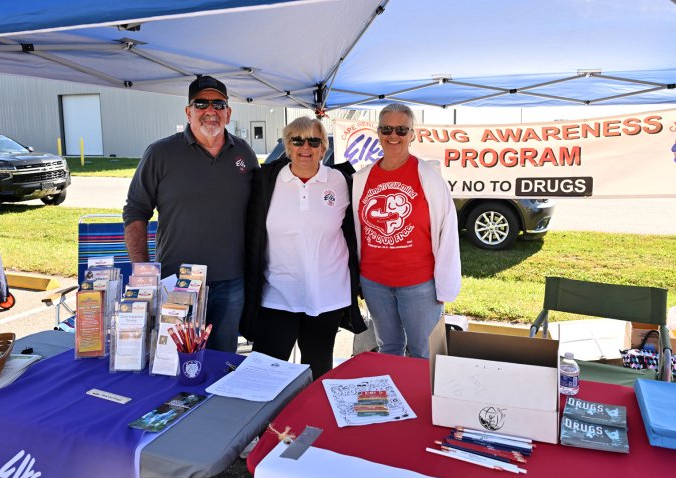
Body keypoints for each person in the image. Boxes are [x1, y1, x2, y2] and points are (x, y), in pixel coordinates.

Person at [123, 75, 259, 353]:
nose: (210, 110)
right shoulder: (160, 153)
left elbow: (258, 211)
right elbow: (135, 212)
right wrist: (144, 272)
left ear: (228, 113)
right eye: (201, 104)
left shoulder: (244, 153)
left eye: (218, 104)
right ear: (188, 112)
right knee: (173, 360)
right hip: (177, 282)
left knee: (222, 359)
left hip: (231, 282)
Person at [241, 116, 365, 379]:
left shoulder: (341, 181)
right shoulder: (266, 180)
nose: (305, 147)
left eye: (313, 141)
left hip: (328, 295)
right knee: (265, 374)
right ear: (288, 146)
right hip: (278, 293)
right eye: (297, 141)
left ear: (323, 148)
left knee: (317, 372)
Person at [352, 103, 461, 358]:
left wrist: (445, 286)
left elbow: (447, 232)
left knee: (424, 353)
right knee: (388, 349)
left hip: (419, 284)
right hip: (374, 282)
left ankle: (420, 388)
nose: (394, 136)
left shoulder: (429, 177)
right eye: (387, 129)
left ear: (412, 134)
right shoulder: (361, 178)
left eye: (401, 130)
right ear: (378, 133)